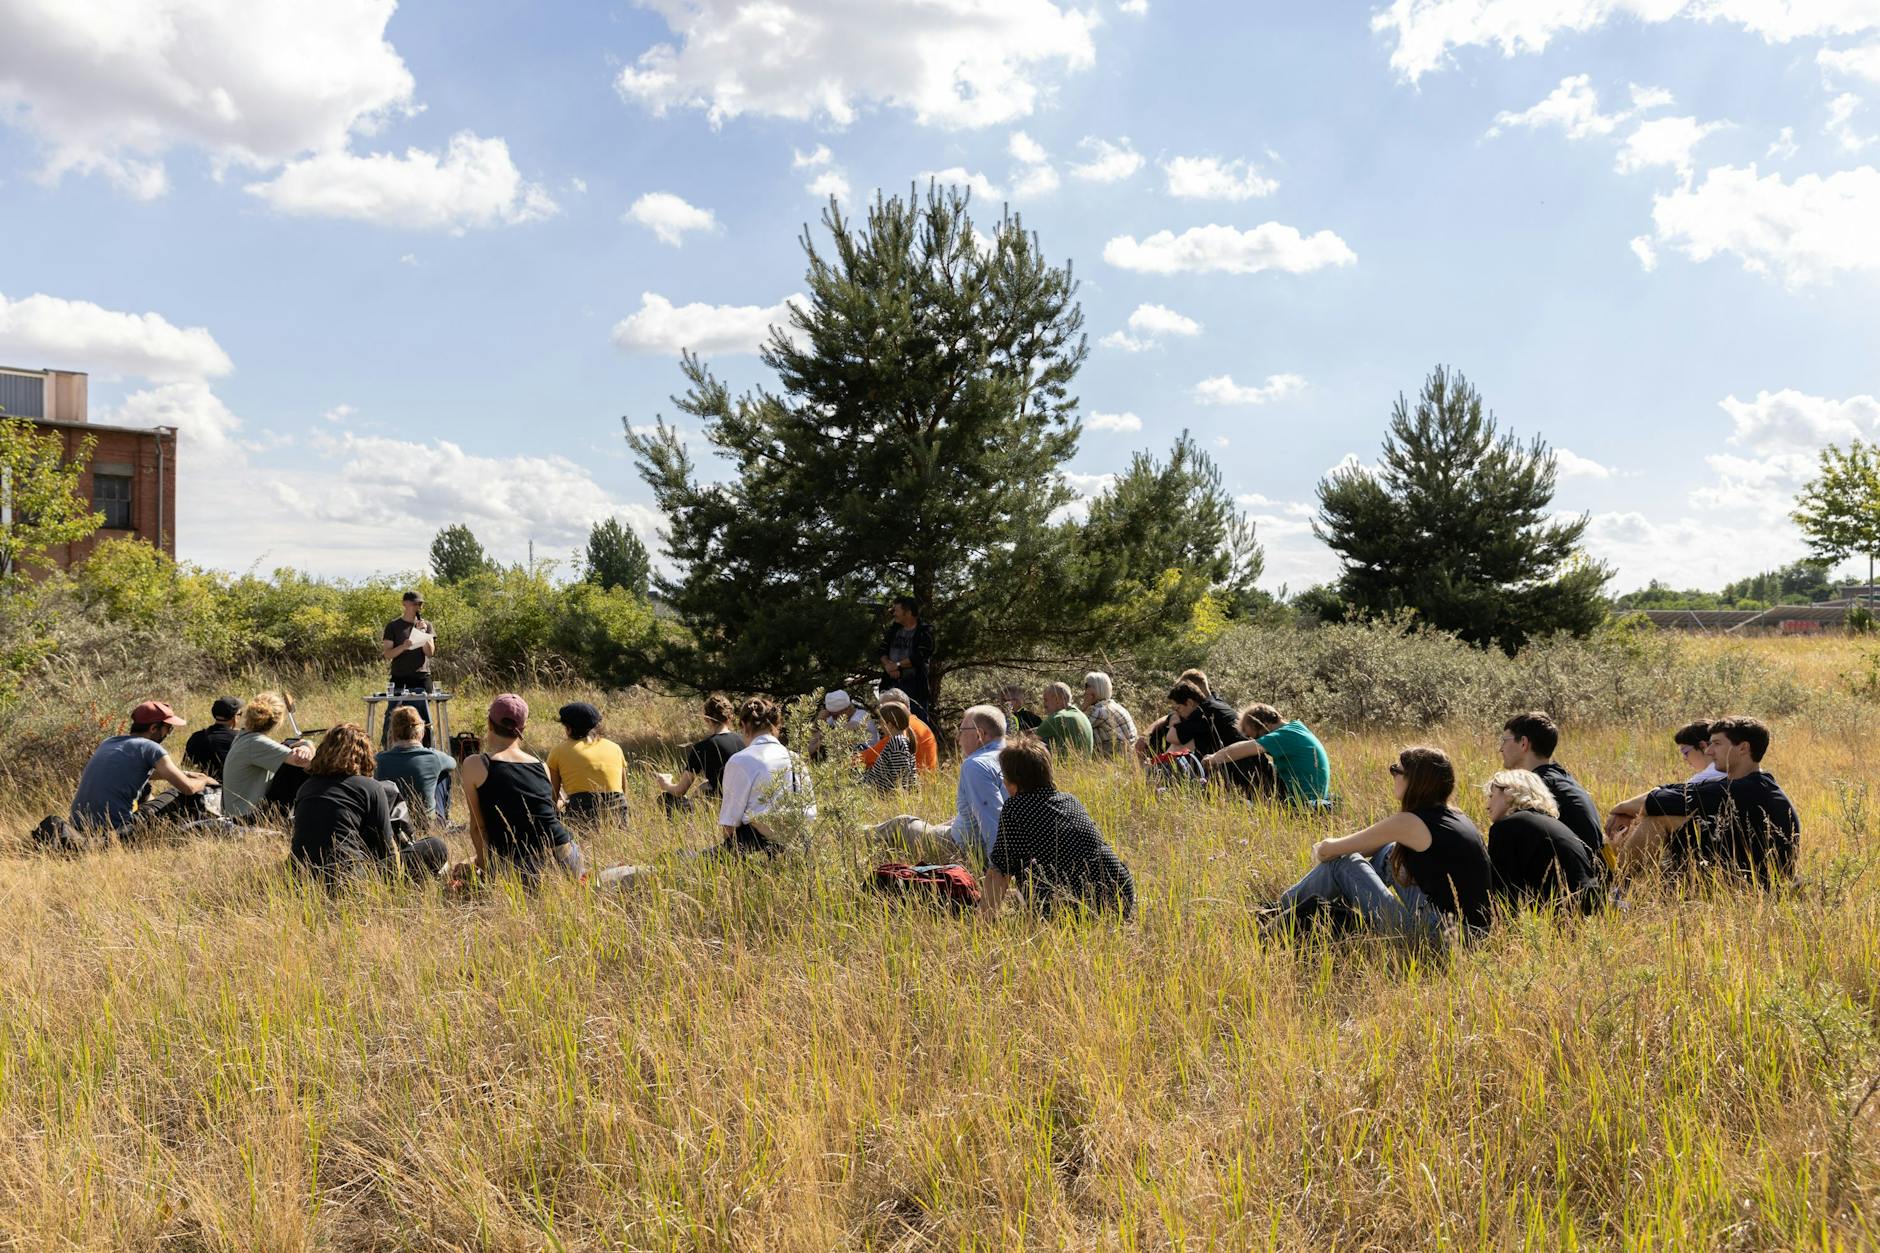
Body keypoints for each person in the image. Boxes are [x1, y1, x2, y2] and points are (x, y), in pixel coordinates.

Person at [1267, 746, 1494, 941]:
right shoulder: (1456, 816)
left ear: (1415, 781)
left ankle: (1279, 909)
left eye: (1396, 770)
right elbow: (1369, 846)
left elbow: (1330, 850)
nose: (1392, 775)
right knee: (1389, 853)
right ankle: (1340, 908)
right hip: (1472, 934)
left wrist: (1325, 849)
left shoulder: (1408, 822)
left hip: (1440, 936)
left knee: (1341, 863)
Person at [1604, 716, 1800, 886]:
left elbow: (1657, 801)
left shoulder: (1743, 789)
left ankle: (1614, 887)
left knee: (1657, 819)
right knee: (1670, 819)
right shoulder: (1753, 784)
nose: (1709, 751)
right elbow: (1672, 790)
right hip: (1741, 872)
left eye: (1717, 744)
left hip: (1752, 886)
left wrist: (1619, 808)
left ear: (1743, 748)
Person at [981, 737, 1135, 919]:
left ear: (1013, 781)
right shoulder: (1070, 800)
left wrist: (982, 921)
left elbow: (1000, 870)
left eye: (1004, 776)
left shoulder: (1015, 807)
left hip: (1073, 906)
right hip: (1120, 894)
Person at [293, 723, 449, 885]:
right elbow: (385, 849)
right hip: (350, 881)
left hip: (301, 878)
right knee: (436, 846)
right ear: (364, 754)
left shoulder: (306, 788)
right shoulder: (369, 788)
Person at [458, 694, 585, 881]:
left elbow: (478, 828)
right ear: (522, 729)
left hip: (519, 862)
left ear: (489, 723)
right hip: (567, 854)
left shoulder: (475, 764)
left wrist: (485, 875)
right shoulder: (541, 766)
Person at [873, 705, 1008, 863]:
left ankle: (857, 835)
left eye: (961, 731)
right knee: (925, 825)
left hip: (961, 849)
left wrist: (997, 869)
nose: (958, 738)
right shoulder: (1014, 758)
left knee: (901, 825)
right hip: (975, 842)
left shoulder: (976, 765)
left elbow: (992, 820)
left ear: (979, 735)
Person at [70, 700, 213, 835]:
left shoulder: (109, 742)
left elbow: (134, 773)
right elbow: (188, 788)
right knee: (177, 793)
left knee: (145, 787)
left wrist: (185, 773)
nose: (168, 734)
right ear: (153, 728)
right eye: (168, 729)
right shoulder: (150, 748)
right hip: (118, 830)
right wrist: (204, 780)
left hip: (79, 827)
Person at [1483, 769, 1603, 914]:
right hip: (1592, 908)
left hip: (1561, 914)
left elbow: (1504, 895)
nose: (1487, 805)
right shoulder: (1550, 822)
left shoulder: (1506, 827)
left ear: (1509, 792)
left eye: (1491, 796)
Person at [715, 696, 817, 856]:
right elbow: (810, 814)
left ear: (743, 725)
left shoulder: (740, 761)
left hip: (753, 847)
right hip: (799, 845)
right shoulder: (795, 759)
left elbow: (729, 826)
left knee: (690, 857)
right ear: (777, 725)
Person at [1498, 712, 1604, 864]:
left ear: (1523, 743)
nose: (1501, 749)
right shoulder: (1562, 778)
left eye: (1504, 741)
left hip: (1572, 875)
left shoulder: (1537, 790)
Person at [1203, 704, 1332, 808]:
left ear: (1265, 725)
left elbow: (1238, 751)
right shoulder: (1296, 727)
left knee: (1243, 757)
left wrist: (1213, 758)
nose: (1254, 740)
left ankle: (1220, 796)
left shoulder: (1282, 736)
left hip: (1302, 800)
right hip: (1310, 793)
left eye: (1256, 737)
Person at [222, 692, 315, 821]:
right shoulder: (255, 743)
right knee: (298, 768)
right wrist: (307, 744)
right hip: (247, 818)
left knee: (290, 751)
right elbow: (309, 763)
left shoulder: (243, 737)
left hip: (240, 813)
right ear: (278, 722)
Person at [655, 694, 746, 812]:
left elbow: (680, 791)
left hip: (721, 807)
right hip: (745, 803)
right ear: (730, 717)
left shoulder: (702, 747)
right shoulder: (743, 741)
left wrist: (665, 783)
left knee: (666, 798)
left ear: (706, 719)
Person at [547, 701, 627, 824]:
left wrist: (562, 802)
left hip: (582, 816)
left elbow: (552, 799)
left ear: (568, 729)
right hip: (618, 816)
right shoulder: (615, 748)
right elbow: (623, 790)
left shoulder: (558, 751)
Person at [374, 706, 457, 822]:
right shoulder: (433, 757)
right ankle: (444, 820)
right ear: (421, 732)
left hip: (392, 822)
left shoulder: (379, 760)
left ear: (392, 733)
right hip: (426, 823)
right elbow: (453, 764)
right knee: (443, 774)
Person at [381, 590, 437, 744]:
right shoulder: (393, 626)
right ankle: (389, 746)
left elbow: (430, 652)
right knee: (394, 715)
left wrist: (423, 634)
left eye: (420, 604)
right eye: (415, 604)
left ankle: (427, 748)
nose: (418, 607)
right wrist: (403, 647)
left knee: (421, 717)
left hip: (421, 677)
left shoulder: (427, 625)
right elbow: (388, 654)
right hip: (400, 677)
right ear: (404, 604)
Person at [878, 595, 936, 721]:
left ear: (908, 612)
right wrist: (888, 666)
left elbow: (920, 656)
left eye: (897, 610)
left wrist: (897, 666)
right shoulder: (894, 630)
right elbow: (882, 650)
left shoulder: (924, 631)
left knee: (916, 723)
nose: (894, 614)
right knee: (891, 722)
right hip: (891, 684)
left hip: (915, 688)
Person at [857, 688, 939, 774]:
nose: (883, 715)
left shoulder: (899, 730)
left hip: (912, 780)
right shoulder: (919, 724)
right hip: (925, 778)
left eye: (887, 709)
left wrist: (849, 760)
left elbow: (866, 758)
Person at [860, 702, 918, 793]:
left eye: (881, 722)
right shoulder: (904, 741)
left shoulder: (897, 742)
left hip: (877, 793)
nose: (880, 726)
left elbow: (899, 778)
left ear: (890, 725)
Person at [183, 696, 242, 780]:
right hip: (233, 785)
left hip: (202, 785)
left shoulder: (196, 737)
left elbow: (186, 766)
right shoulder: (240, 739)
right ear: (235, 717)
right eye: (240, 714)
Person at [1082, 672, 1139, 758]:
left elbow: (1077, 727)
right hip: (1130, 754)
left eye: (1087, 686)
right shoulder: (1114, 705)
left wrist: (1084, 706)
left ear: (1096, 689)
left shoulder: (1099, 711)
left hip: (1116, 757)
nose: (1084, 691)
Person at [807, 690, 873, 760]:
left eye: (835, 715)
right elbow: (811, 735)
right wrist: (818, 721)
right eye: (830, 714)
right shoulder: (835, 717)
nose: (833, 718)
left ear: (847, 709)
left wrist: (814, 746)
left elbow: (842, 732)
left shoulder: (862, 715)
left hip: (868, 758)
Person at [1036, 681, 1094, 756]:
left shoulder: (1057, 718)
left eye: (1046, 700)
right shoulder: (1082, 715)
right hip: (1084, 763)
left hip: (1066, 763)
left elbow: (1031, 739)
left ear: (1057, 700)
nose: (1044, 705)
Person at [1674, 719, 1724, 783]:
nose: (1684, 758)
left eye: (1685, 752)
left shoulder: (1699, 781)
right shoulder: (1734, 770)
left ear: (1702, 746)